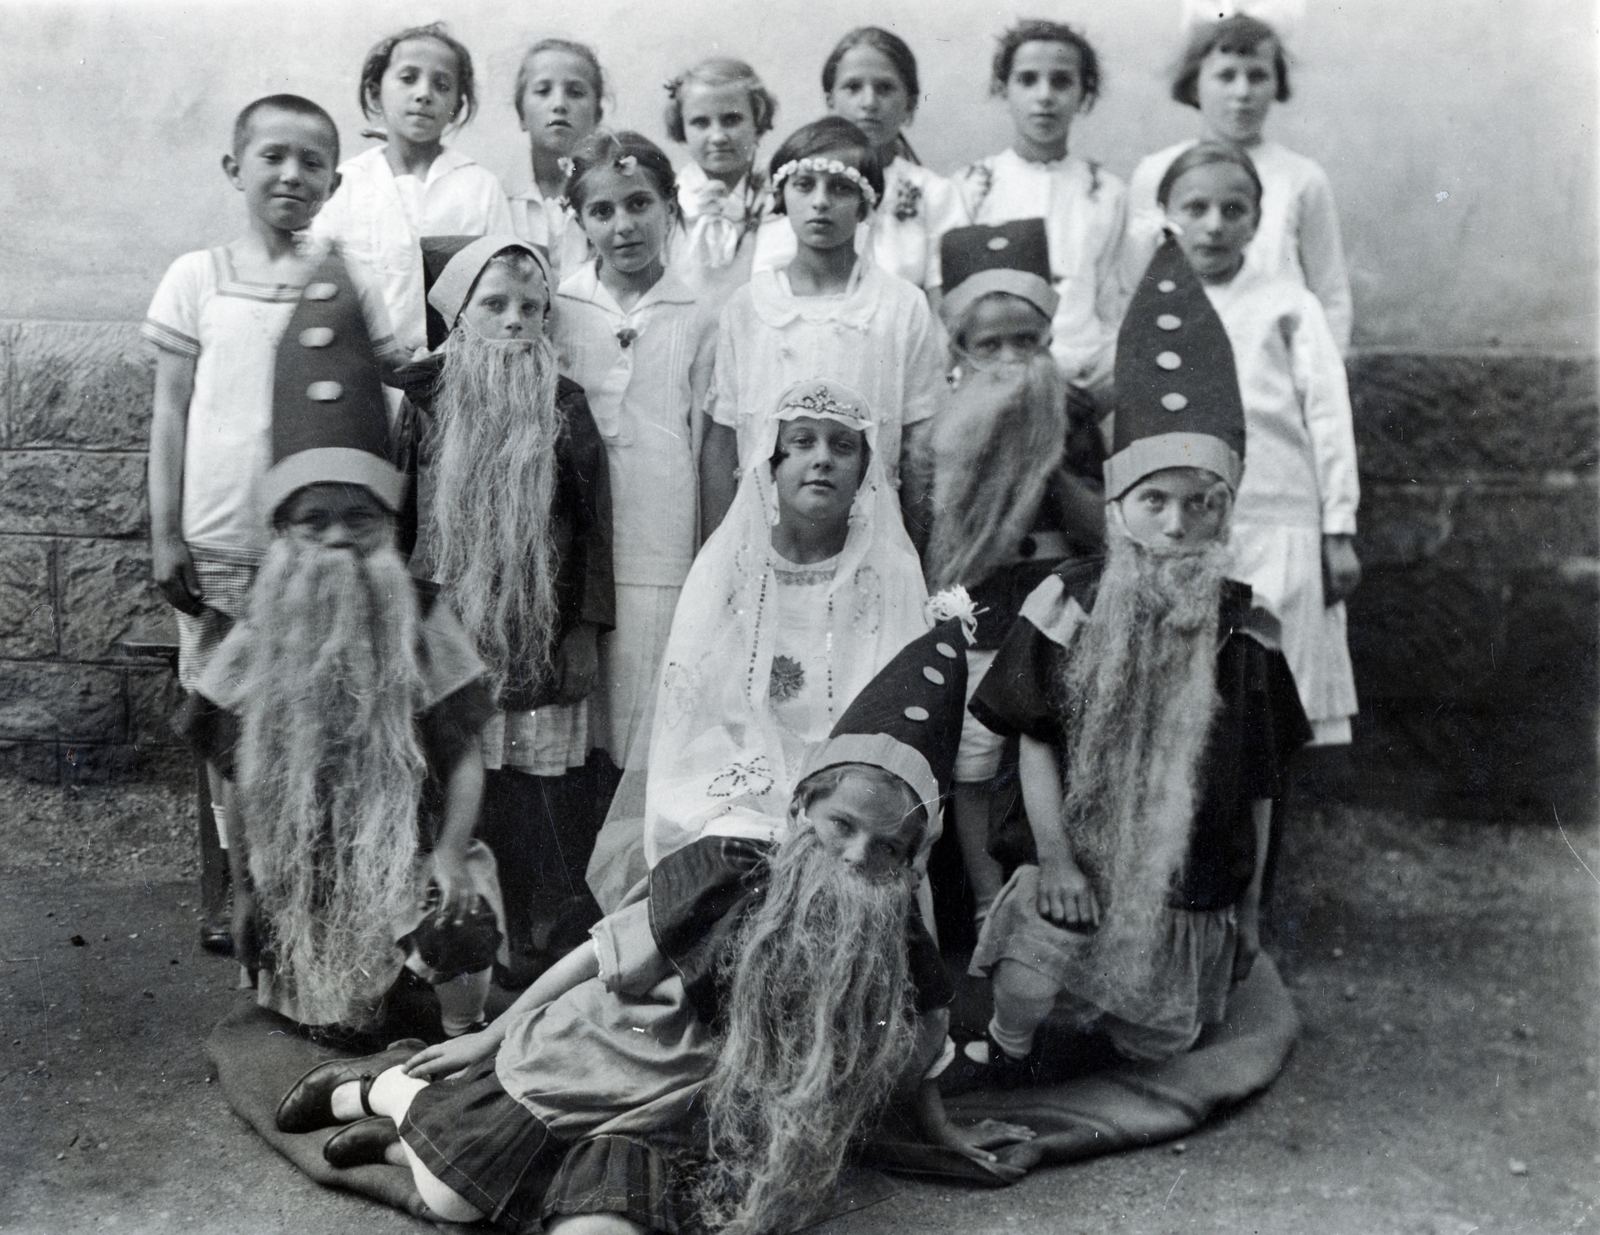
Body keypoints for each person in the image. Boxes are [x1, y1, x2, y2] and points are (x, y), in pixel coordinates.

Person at [274, 616, 1031, 1234]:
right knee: (453, 1195)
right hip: (598, 1060)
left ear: (911, 856)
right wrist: (484, 1035)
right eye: (842, 826)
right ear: (801, 808)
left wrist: (946, 1138)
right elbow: (594, 956)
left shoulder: (893, 937)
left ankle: (416, 1145)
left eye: (887, 848)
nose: (857, 857)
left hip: (676, 1122)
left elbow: (924, 1044)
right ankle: (382, 1093)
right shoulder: (728, 872)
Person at [964, 230, 1311, 1081]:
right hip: (1075, 858)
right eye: (1155, 501)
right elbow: (1033, 735)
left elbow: (1263, 783)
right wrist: (1053, 858)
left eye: (1202, 505)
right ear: (1119, 506)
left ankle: (1129, 1007)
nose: (1177, 524)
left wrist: (1253, 909)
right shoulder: (1067, 605)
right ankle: (1009, 1047)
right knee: (1028, 993)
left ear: (1226, 514)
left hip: (1188, 880)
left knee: (1158, 1044)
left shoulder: (1248, 635)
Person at [179, 260, 505, 1040]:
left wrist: (454, 852)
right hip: (299, 852)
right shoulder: (258, 631)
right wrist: (247, 871)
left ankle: (432, 1007)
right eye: (313, 521)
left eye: (357, 524)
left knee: (455, 934)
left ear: (386, 527)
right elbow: (231, 767)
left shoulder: (419, 615)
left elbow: (464, 754)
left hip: (409, 845)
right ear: (283, 532)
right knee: (302, 992)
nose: (335, 542)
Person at [144, 94, 405, 953]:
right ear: (235, 168)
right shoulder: (197, 276)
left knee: (311, 716)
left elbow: (386, 396)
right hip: (220, 541)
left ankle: (306, 884)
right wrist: (165, 531)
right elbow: (172, 412)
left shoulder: (342, 278)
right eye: (273, 157)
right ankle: (235, 884)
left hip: (314, 547)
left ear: (334, 181)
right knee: (224, 719)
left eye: (312, 162)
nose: (292, 175)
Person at [586, 379, 929, 913]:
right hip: (736, 777)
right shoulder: (730, 566)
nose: (822, 460)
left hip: (851, 790)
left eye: (842, 446)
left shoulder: (892, 573)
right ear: (771, 461)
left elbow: (903, 720)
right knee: (734, 852)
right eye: (802, 442)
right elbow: (692, 710)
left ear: (865, 472)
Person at [402, 234, 615, 961]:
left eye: (532, 307)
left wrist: (586, 628)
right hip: (447, 619)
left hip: (537, 618)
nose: (517, 320)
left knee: (532, 785)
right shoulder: (426, 400)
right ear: (461, 315)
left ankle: (531, 931)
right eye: (495, 304)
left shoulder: (564, 404)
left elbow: (592, 526)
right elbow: (402, 516)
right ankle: (459, 934)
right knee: (457, 772)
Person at [917, 220, 1107, 930]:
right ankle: (987, 893)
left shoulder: (1073, 410)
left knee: (1053, 744)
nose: (1007, 358)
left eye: (1023, 342)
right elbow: (940, 540)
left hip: (1058, 604)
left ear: (1049, 342)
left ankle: (1057, 886)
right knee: (975, 753)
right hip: (984, 610)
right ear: (960, 349)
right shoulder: (944, 423)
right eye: (987, 344)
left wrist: (1045, 463)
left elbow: (1102, 526)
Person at [1159, 141, 1360, 744]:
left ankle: (1271, 833)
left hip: (1278, 520)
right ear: (1167, 213)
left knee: (1277, 689)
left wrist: (1339, 530)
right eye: (1195, 208)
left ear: (1256, 219)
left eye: (1234, 209)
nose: (1214, 225)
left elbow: (1328, 416)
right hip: (1183, 525)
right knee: (1194, 695)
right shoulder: (1154, 306)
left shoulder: (1289, 305)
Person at [554, 132, 718, 776]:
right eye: (603, 211)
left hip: (661, 532)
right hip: (582, 534)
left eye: (640, 204)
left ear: (670, 207)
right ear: (580, 221)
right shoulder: (560, 306)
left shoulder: (699, 313)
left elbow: (706, 440)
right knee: (580, 713)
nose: (624, 226)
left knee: (648, 711)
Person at [701, 117, 946, 536]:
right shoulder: (749, 306)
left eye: (840, 188)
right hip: (763, 533)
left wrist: (914, 555)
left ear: (867, 203)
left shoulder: (900, 306)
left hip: (869, 534)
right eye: (804, 185)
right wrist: (719, 549)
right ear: (781, 196)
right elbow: (724, 442)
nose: (820, 202)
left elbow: (919, 445)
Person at [1126, 14, 1353, 353]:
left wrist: (1321, 377)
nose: (1242, 92)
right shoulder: (1157, 171)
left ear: (1278, 84)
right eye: (1226, 76)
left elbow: (1330, 295)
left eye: (1258, 76)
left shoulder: (1302, 178)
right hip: (1180, 359)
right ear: (1195, 84)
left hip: (1275, 363)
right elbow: (1133, 285)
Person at [311, 23, 513, 359]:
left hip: (452, 372)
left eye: (442, 84)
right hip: (361, 373)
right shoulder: (347, 182)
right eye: (408, 78)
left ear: (457, 105)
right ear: (376, 93)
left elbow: (503, 287)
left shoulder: (479, 187)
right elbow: (318, 282)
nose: (424, 94)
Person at [957, 20, 1127, 401]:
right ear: (1004, 89)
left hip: (1085, 383)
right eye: (1028, 80)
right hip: (994, 384)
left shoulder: (1107, 193)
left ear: (1085, 94)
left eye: (1062, 81)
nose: (1045, 96)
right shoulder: (972, 187)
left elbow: (1113, 305)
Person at [751, 28, 969, 300]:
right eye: (853, 87)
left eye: (885, 88)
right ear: (830, 100)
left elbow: (948, 301)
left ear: (910, 104)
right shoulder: (801, 184)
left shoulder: (935, 193)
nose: (869, 103)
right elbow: (769, 284)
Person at [662, 57, 778, 306]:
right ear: (681, 127)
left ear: (757, 120)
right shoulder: (669, 200)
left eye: (732, 119)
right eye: (701, 122)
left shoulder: (776, 195)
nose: (717, 136)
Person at [507, 37, 604, 281]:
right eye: (543, 91)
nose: (559, 104)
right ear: (521, 113)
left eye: (576, 92)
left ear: (597, 116)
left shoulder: (613, 198)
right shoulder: (498, 199)